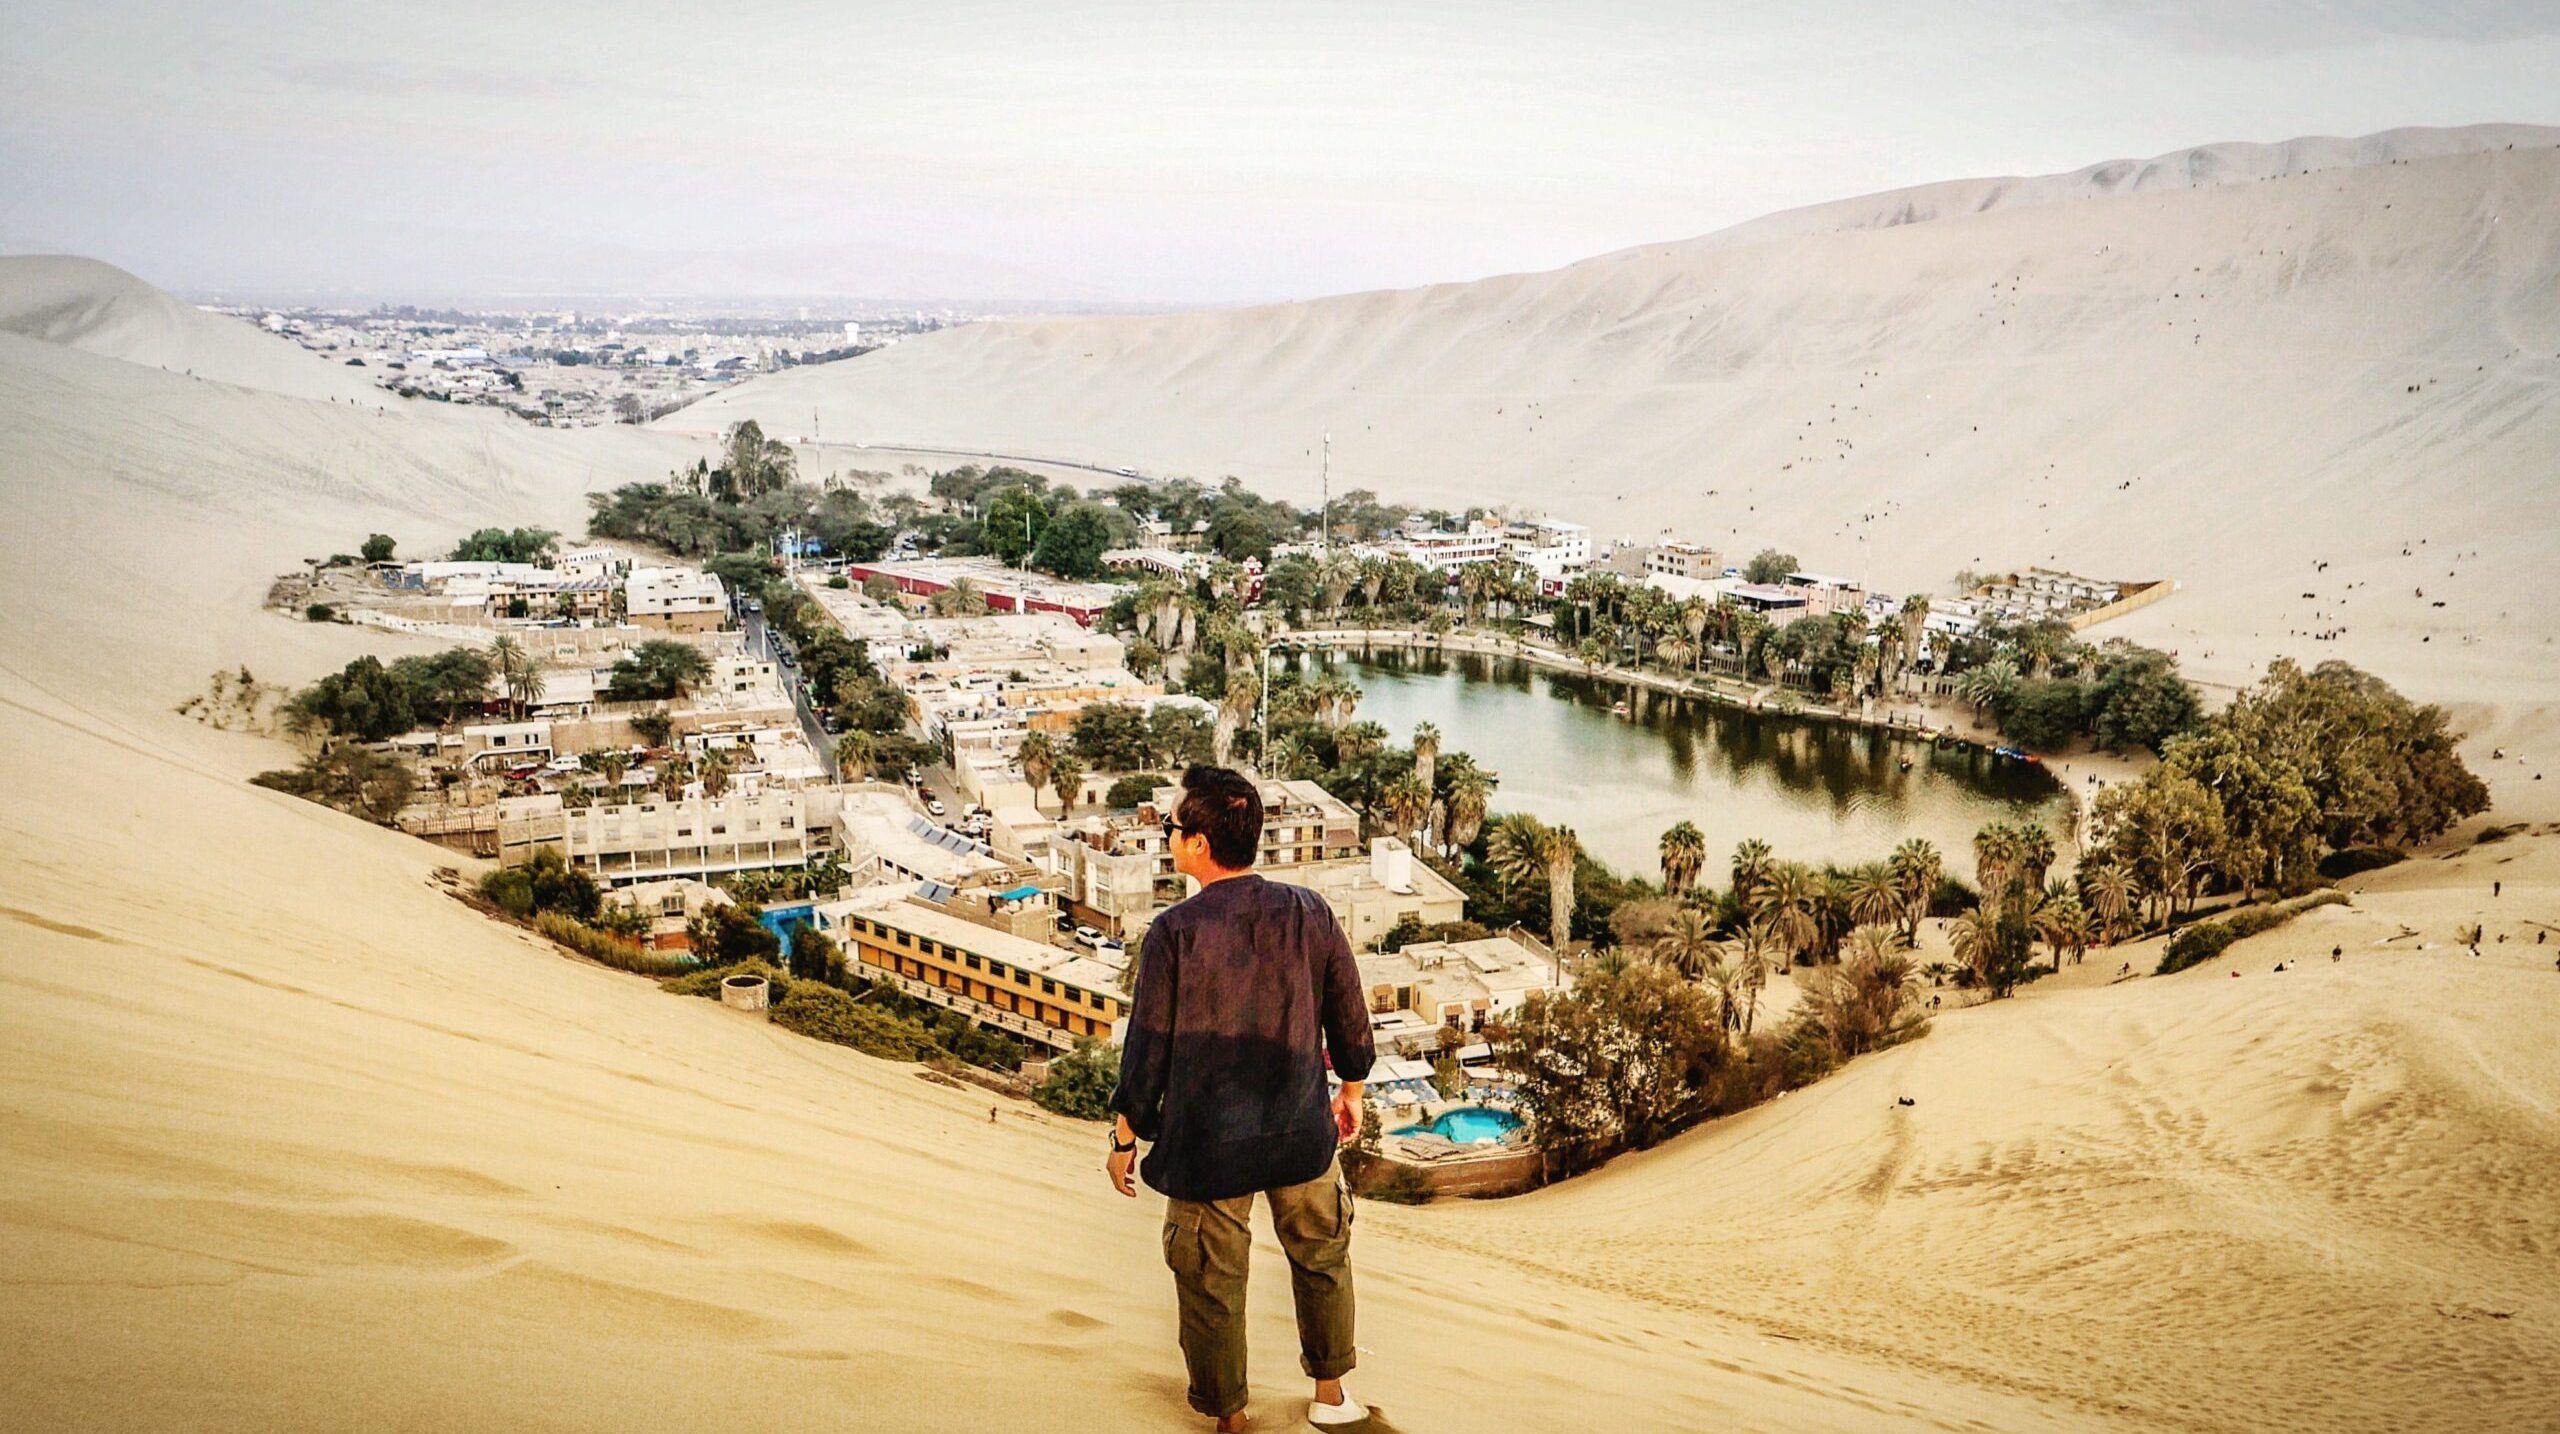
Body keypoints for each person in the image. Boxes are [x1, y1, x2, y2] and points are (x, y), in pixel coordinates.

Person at [1106, 766, 1375, 1432]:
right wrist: (1353, 1089)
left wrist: (1123, 1137)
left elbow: (1147, 1050)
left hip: (1207, 1146)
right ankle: (1332, 1397)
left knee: (1210, 1283)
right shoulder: (1308, 911)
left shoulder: (1174, 933)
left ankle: (1230, 1418)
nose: (1168, 836)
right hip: (1300, 1130)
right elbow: (1349, 1009)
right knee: (1321, 1259)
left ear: (1198, 843)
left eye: (1171, 827)